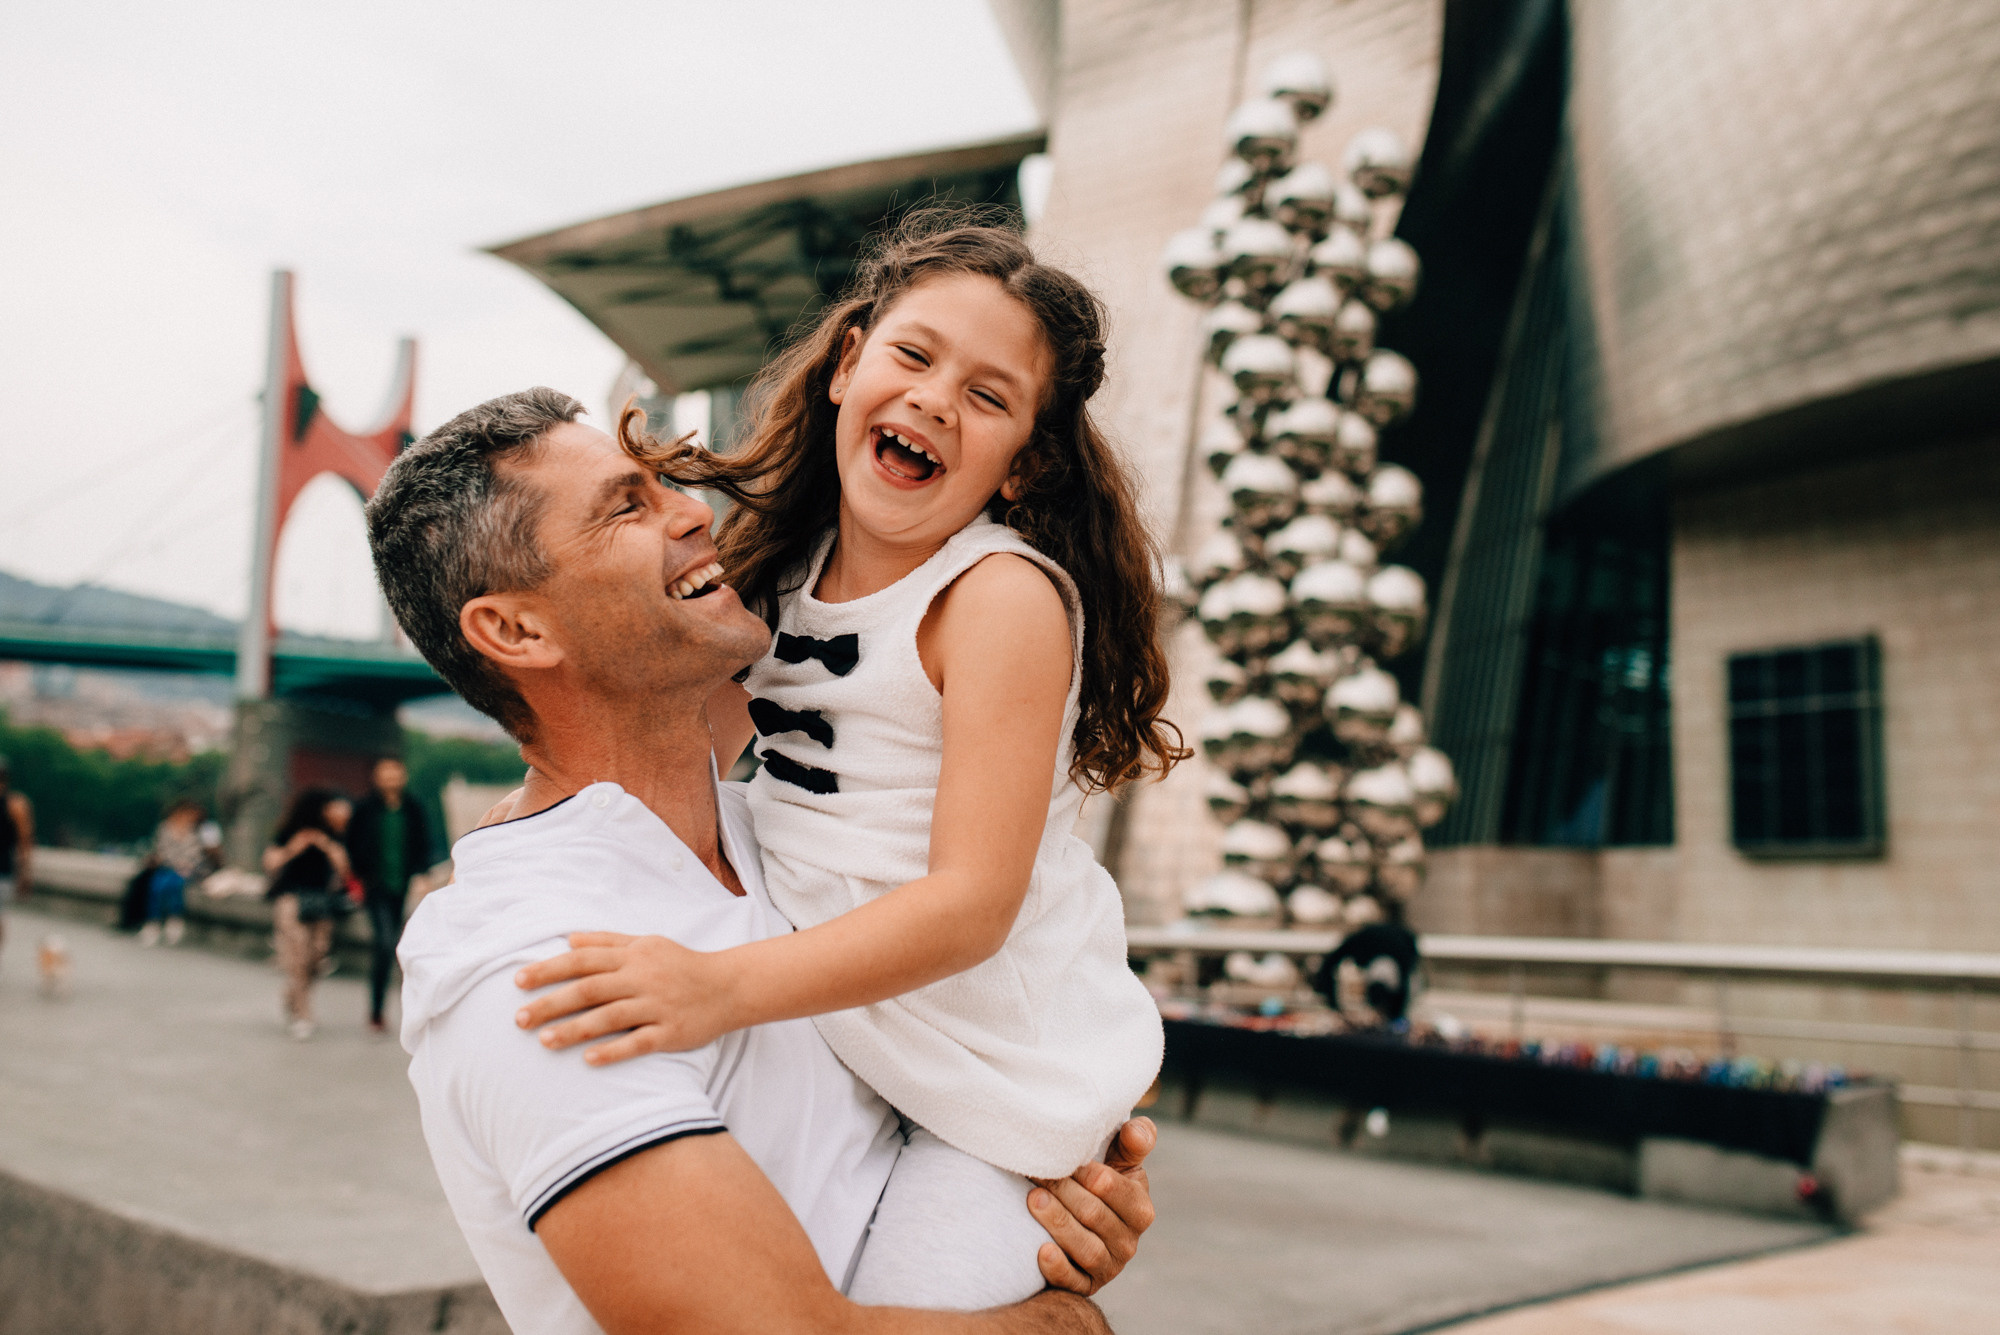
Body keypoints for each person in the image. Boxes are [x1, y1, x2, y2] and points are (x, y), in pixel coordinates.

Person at [367, 387, 1155, 1334]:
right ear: (518, 632)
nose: (694, 510)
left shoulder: (780, 840)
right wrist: (1062, 1325)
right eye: (626, 506)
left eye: (662, 485)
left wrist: (1042, 1198)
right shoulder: (532, 969)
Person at [515, 215, 1185, 1308]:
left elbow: (971, 903)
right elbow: (663, 759)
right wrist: (507, 848)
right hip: (847, 1040)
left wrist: (714, 990)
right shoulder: (777, 573)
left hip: (993, 1082)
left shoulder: (995, 598)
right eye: (913, 356)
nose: (932, 400)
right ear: (846, 365)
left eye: (988, 396)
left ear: (1027, 465)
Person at [346, 757, 435, 1034]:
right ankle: (376, 1012)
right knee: (385, 943)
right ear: (376, 777)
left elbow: (423, 845)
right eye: (385, 774)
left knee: (396, 946)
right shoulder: (364, 809)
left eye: (395, 773)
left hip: (401, 886)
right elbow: (351, 843)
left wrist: (422, 873)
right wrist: (361, 874)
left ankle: (399, 1011)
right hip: (375, 887)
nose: (391, 779)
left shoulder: (413, 808)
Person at [264, 788, 352, 1040]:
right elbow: (270, 862)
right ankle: (303, 1014)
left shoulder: (334, 835)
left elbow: (345, 870)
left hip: (321, 901)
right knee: (298, 957)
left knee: (317, 958)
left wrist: (326, 845)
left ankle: (291, 995)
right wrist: (294, 847)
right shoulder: (289, 831)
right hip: (291, 899)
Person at [141, 799, 210, 947]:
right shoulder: (165, 828)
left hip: (189, 869)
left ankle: (174, 919)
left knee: (175, 884)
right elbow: (161, 850)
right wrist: (175, 862)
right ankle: (154, 921)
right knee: (157, 885)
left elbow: (198, 853)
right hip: (169, 866)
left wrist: (187, 864)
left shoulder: (197, 830)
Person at [0, 756, 31, 959]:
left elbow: (24, 843)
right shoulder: (17, 805)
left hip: (3, 870)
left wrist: (25, 873)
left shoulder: (16, 805)